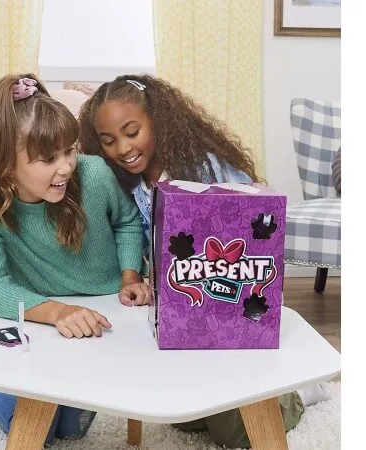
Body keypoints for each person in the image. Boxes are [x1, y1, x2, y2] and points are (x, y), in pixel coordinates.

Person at [78, 74, 331, 448]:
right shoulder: (124, 185)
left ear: (158, 121)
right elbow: (132, 240)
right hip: (179, 310)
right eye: (108, 140)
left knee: (238, 433)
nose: (123, 148)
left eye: (132, 132)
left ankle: (299, 393)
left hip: (230, 302)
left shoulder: (208, 170)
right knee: (183, 418)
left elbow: (259, 230)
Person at [0, 73, 149, 447]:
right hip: (42, 317)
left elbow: (126, 220)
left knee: (70, 427)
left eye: (70, 150)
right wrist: (59, 312)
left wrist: (129, 276)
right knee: (35, 428)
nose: (66, 166)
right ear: (5, 164)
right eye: (48, 159)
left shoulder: (95, 174)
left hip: (106, 311)